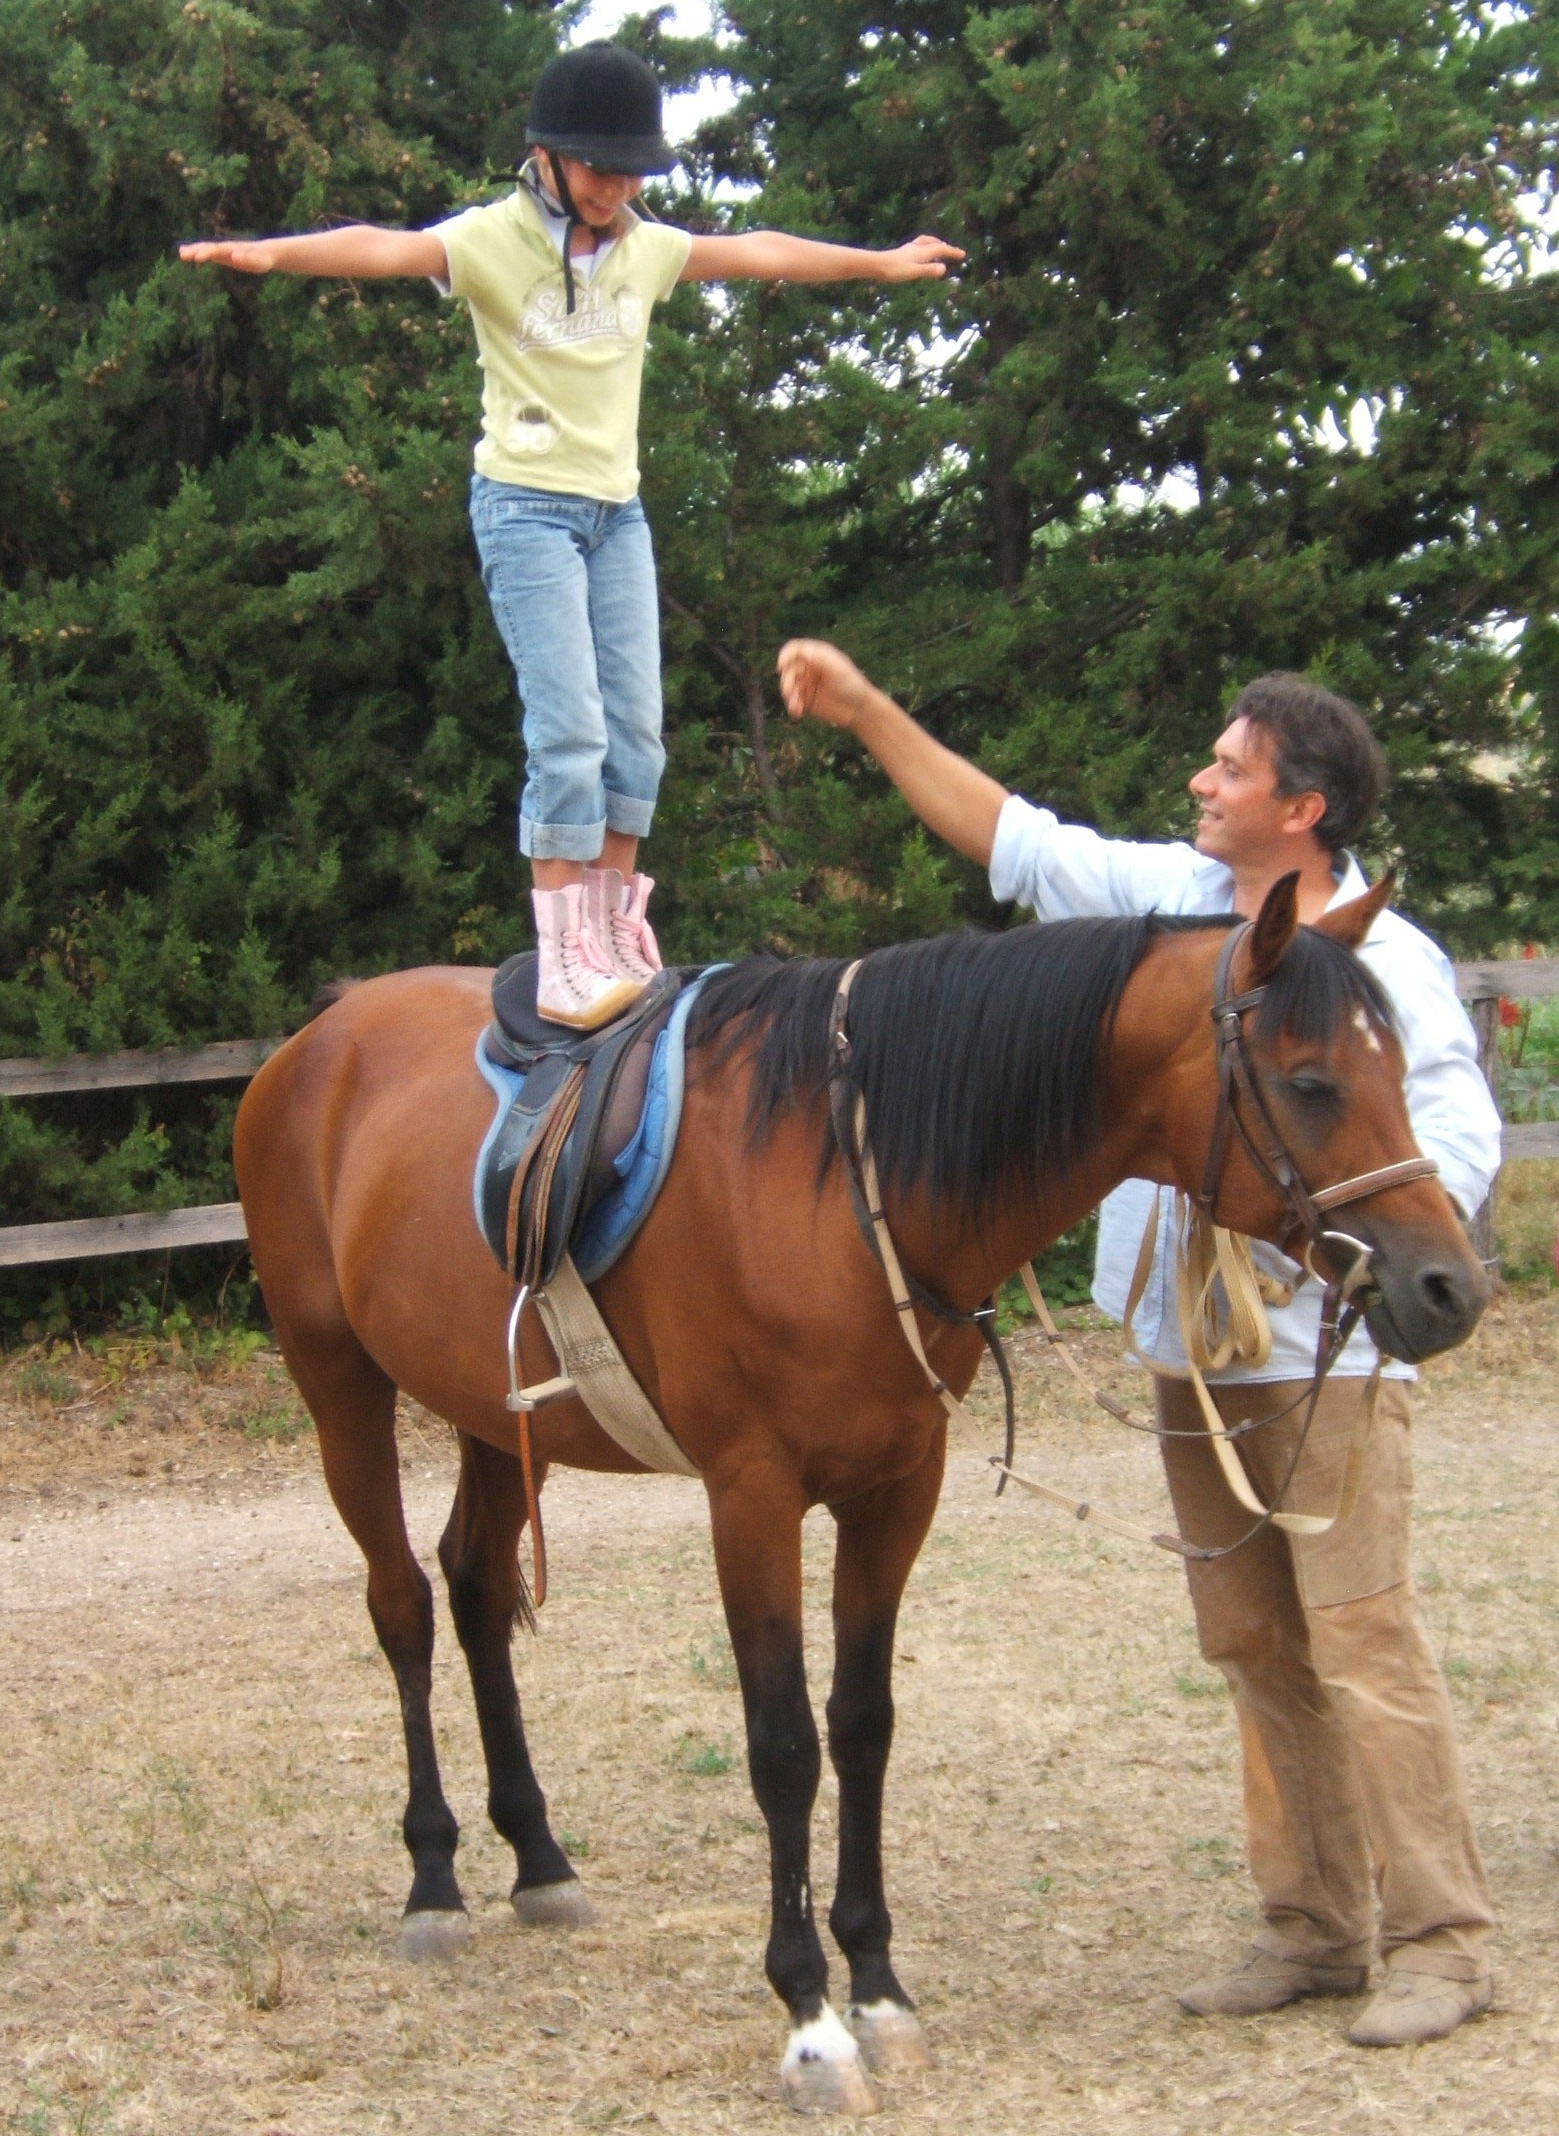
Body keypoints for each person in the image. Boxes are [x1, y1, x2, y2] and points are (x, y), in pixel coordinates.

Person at [777, 636, 1501, 2048]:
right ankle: (1309, 1926)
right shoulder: (1175, 913)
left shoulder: (1379, 958)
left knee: (1359, 1640)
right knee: (1248, 1644)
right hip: (1197, 1345)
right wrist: (868, 711)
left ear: (1301, 807)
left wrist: (1367, 1266)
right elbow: (1016, 840)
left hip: (1320, 1349)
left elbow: (1450, 1136)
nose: (1202, 778)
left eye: (1229, 767)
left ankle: (1442, 1942)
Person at [180, 44, 962, 1028]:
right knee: (572, 735)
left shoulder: (646, 250)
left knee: (637, 735)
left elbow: (762, 248)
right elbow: (386, 245)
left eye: (631, 171)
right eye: (600, 169)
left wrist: (881, 264)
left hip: (615, 515)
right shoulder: (492, 241)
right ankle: (563, 955)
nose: (616, 188)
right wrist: (269, 253)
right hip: (525, 511)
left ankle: (613, 926)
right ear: (546, 156)